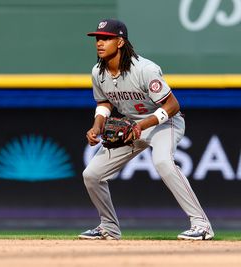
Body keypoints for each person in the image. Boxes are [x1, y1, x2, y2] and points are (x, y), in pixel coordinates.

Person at [79, 18, 214, 241]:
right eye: (97, 38)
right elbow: (104, 103)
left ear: (120, 42)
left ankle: (202, 225)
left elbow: (172, 106)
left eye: (106, 38)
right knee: (92, 174)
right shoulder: (98, 72)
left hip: (164, 122)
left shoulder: (144, 69)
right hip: (131, 126)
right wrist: (96, 126)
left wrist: (142, 125)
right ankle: (109, 228)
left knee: (162, 162)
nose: (99, 43)